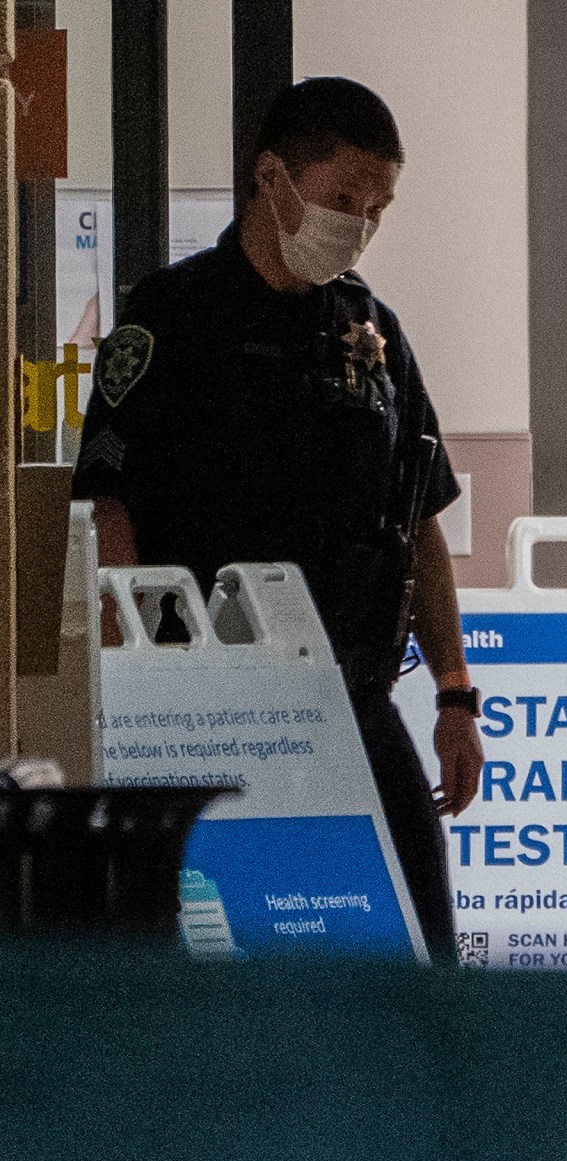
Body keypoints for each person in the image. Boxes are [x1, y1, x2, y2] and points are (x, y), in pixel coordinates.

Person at [75, 77, 480, 963]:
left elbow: (420, 520)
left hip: (353, 697)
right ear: (273, 179)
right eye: (343, 200)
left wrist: (454, 694)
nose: (360, 225)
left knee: (419, 944)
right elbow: (111, 514)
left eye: (378, 208)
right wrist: (133, 692)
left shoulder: (371, 333)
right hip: (210, 706)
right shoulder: (172, 322)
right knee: (213, 945)